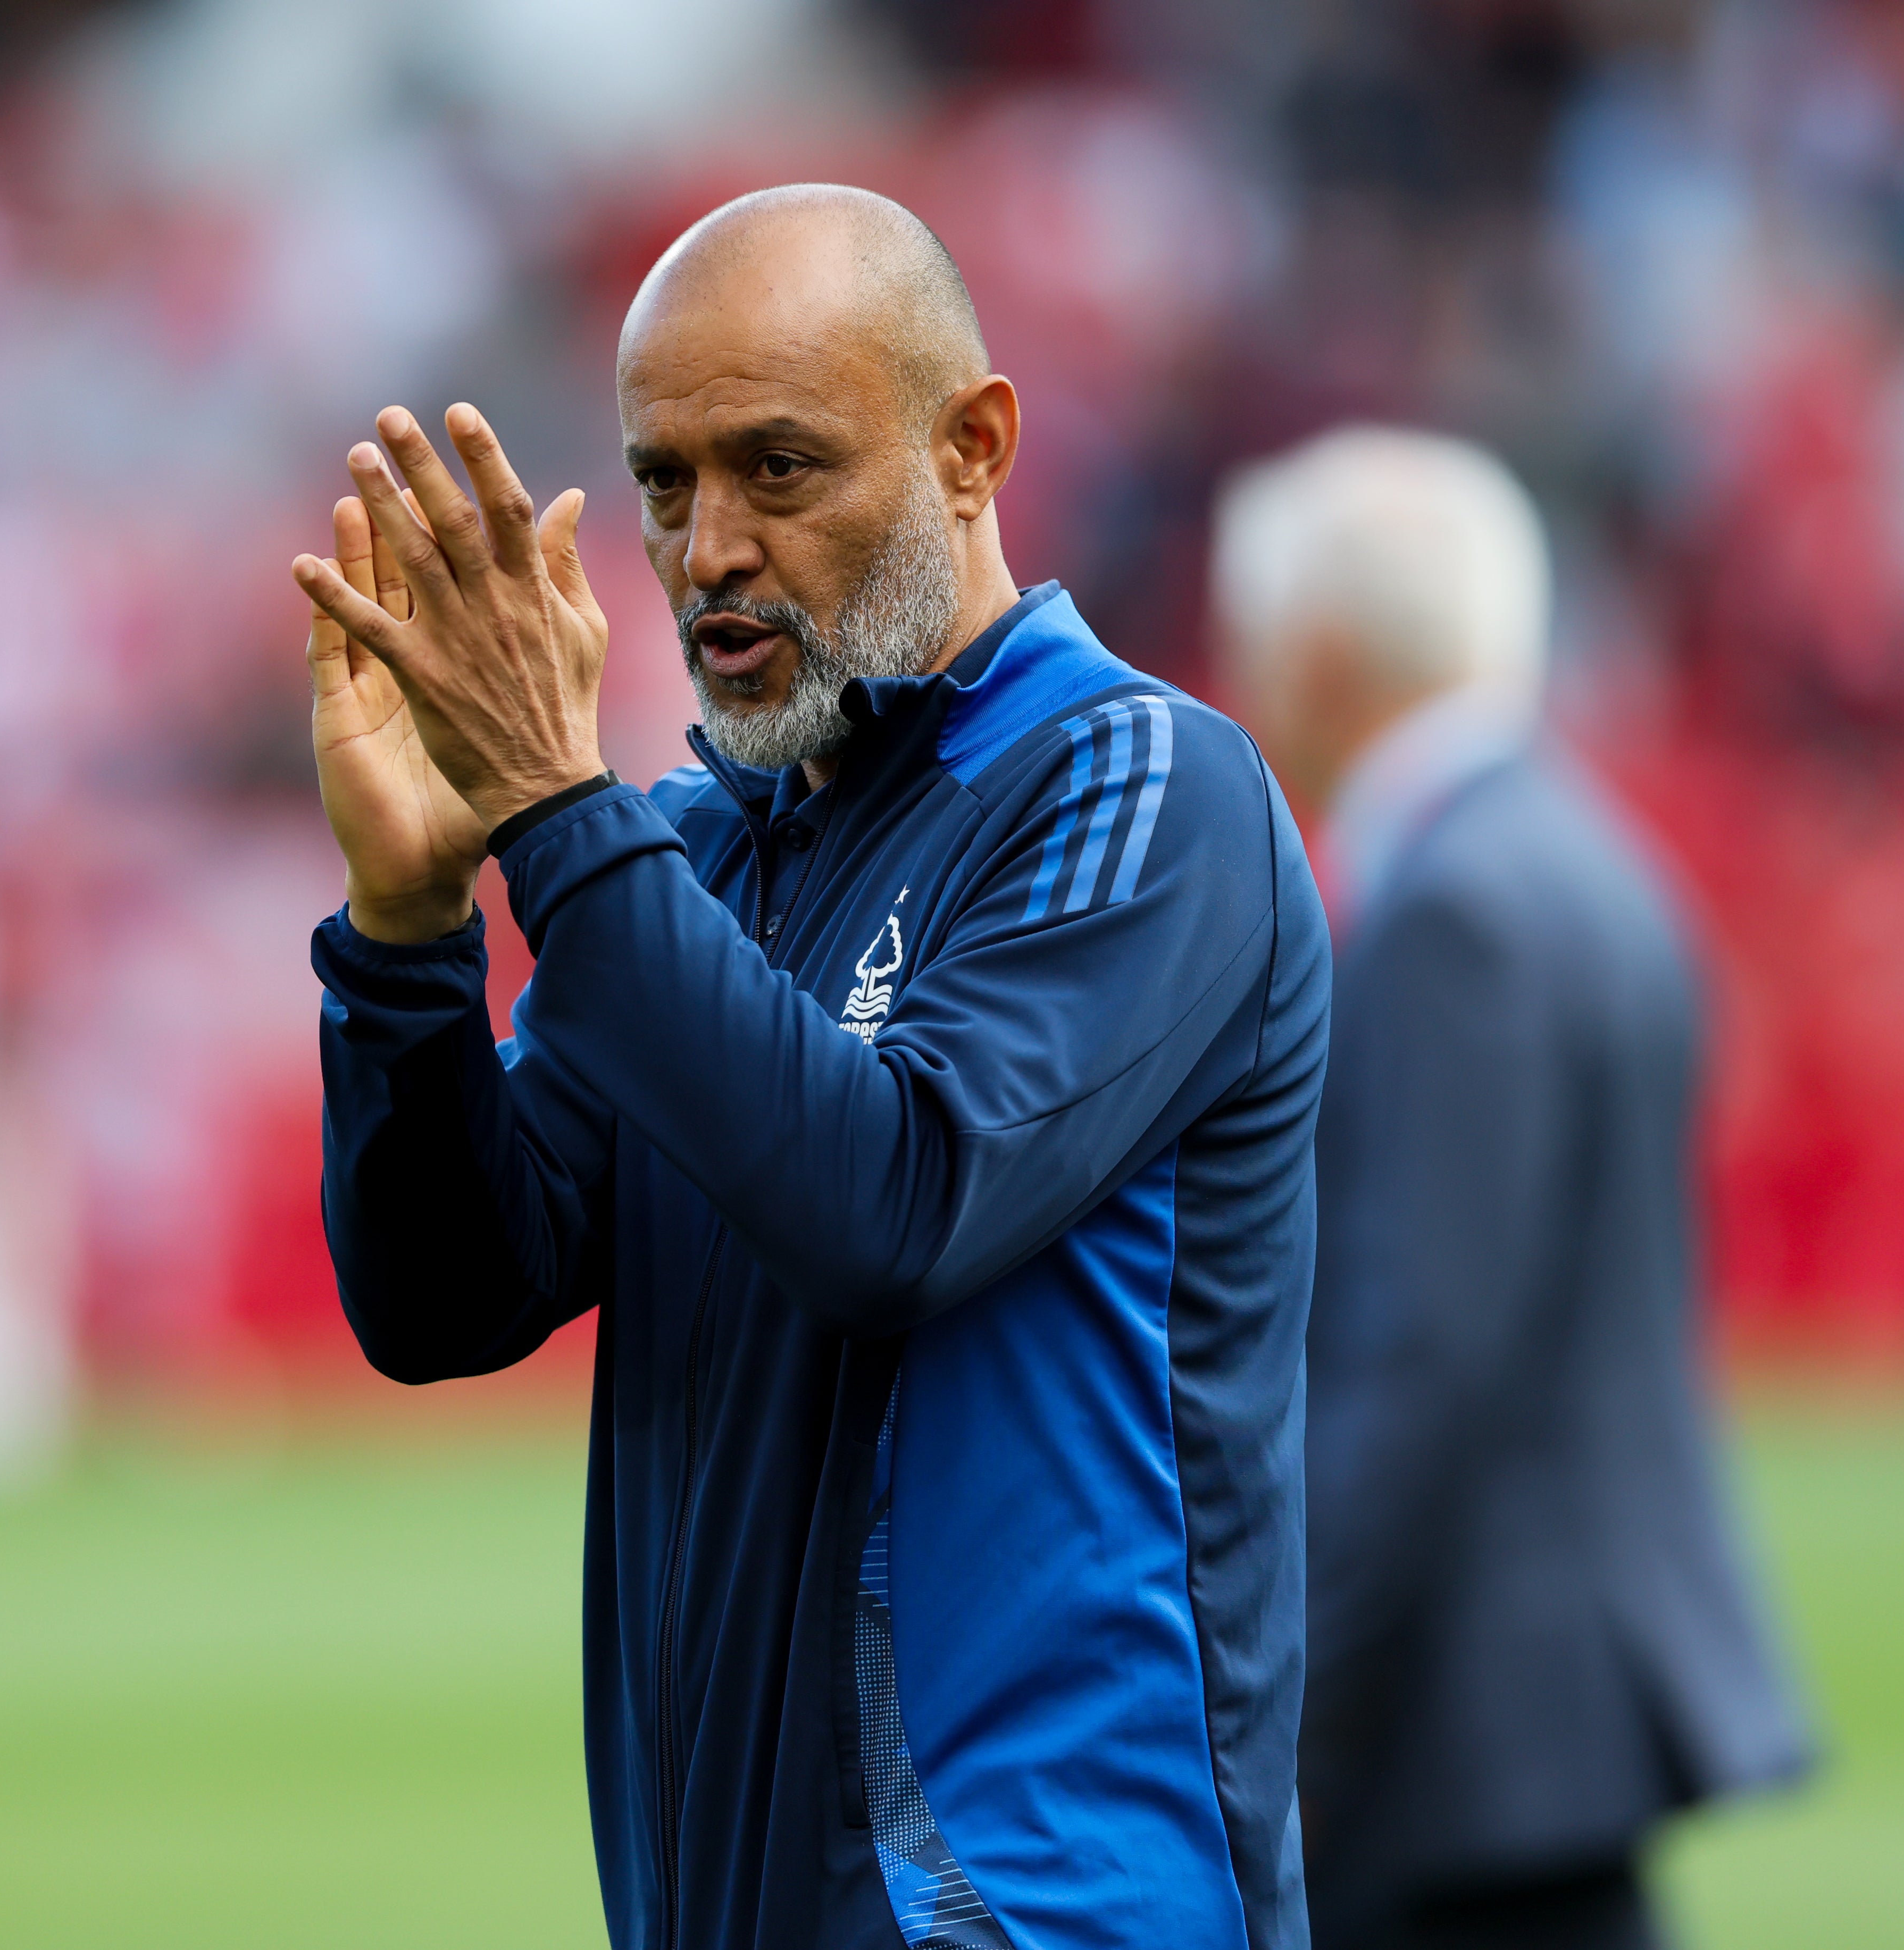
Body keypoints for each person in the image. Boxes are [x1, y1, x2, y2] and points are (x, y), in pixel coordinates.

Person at [292, 185, 1330, 1950]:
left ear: (973, 447)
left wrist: (556, 809)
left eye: (779, 469)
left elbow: (893, 1201)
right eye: (665, 483)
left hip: (1035, 1918)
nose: (707, 552)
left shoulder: (1145, 787)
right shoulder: (698, 856)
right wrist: (406, 931)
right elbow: (451, 1293)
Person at [1216, 429, 1813, 1950]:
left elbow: (1419, 1355)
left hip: (1464, 1714)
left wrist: (1284, 1701)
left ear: (1322, 650)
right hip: (1550, 1697)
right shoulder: (1588, 864)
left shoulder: (1453, 911)